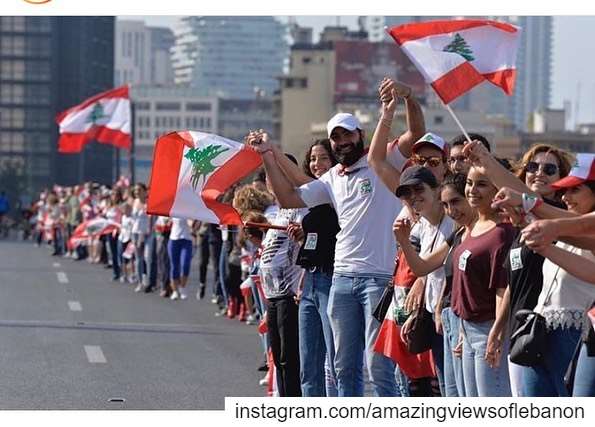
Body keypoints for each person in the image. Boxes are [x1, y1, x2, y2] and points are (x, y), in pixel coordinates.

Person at [249, 77, 425, 397]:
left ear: (360, 135)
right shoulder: (332, 178)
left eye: (347, 134)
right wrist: (267, 155)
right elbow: (289, 197)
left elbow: (416, 134)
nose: (342, 141)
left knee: (379, 367)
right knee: (344, 367)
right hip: (342, 279)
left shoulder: (382, 160)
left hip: (377, 277)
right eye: (336, 138)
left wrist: (408, 96)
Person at [167, 217, 194, 300]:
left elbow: (192, 224)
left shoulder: (190, 210)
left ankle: (182, 287)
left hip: (186, 240)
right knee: (174, 266)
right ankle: (175, 291)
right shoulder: (174, 209)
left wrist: (192, 222)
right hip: (174, 239)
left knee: (185, 264)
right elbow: (167, 221)